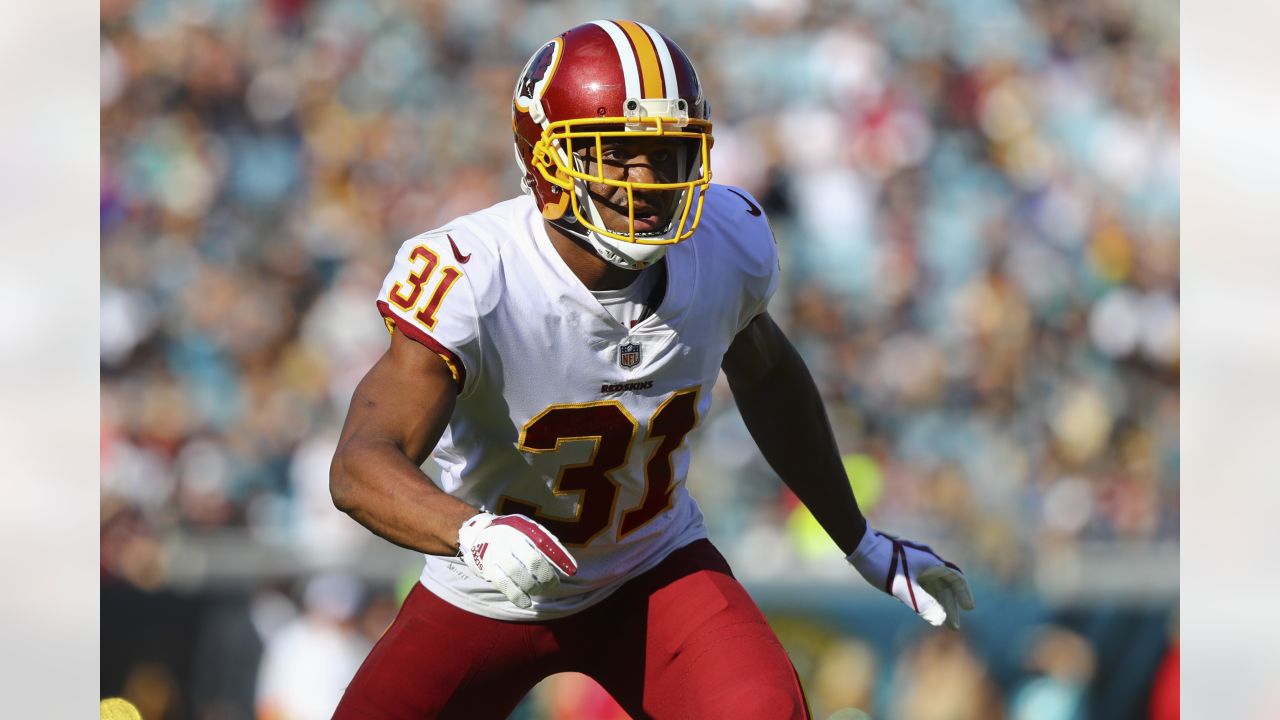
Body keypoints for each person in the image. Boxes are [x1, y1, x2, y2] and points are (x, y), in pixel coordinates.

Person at [329, 20, 974, 719]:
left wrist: (858, 538)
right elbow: (360, 464)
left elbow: (768, 377)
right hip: (485, 591)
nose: (650, 182)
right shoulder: (476, 275)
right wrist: (469, 532)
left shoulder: (723, 244)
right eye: (621, 156)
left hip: (650, 571)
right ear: (546, 163)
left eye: (667, 156)